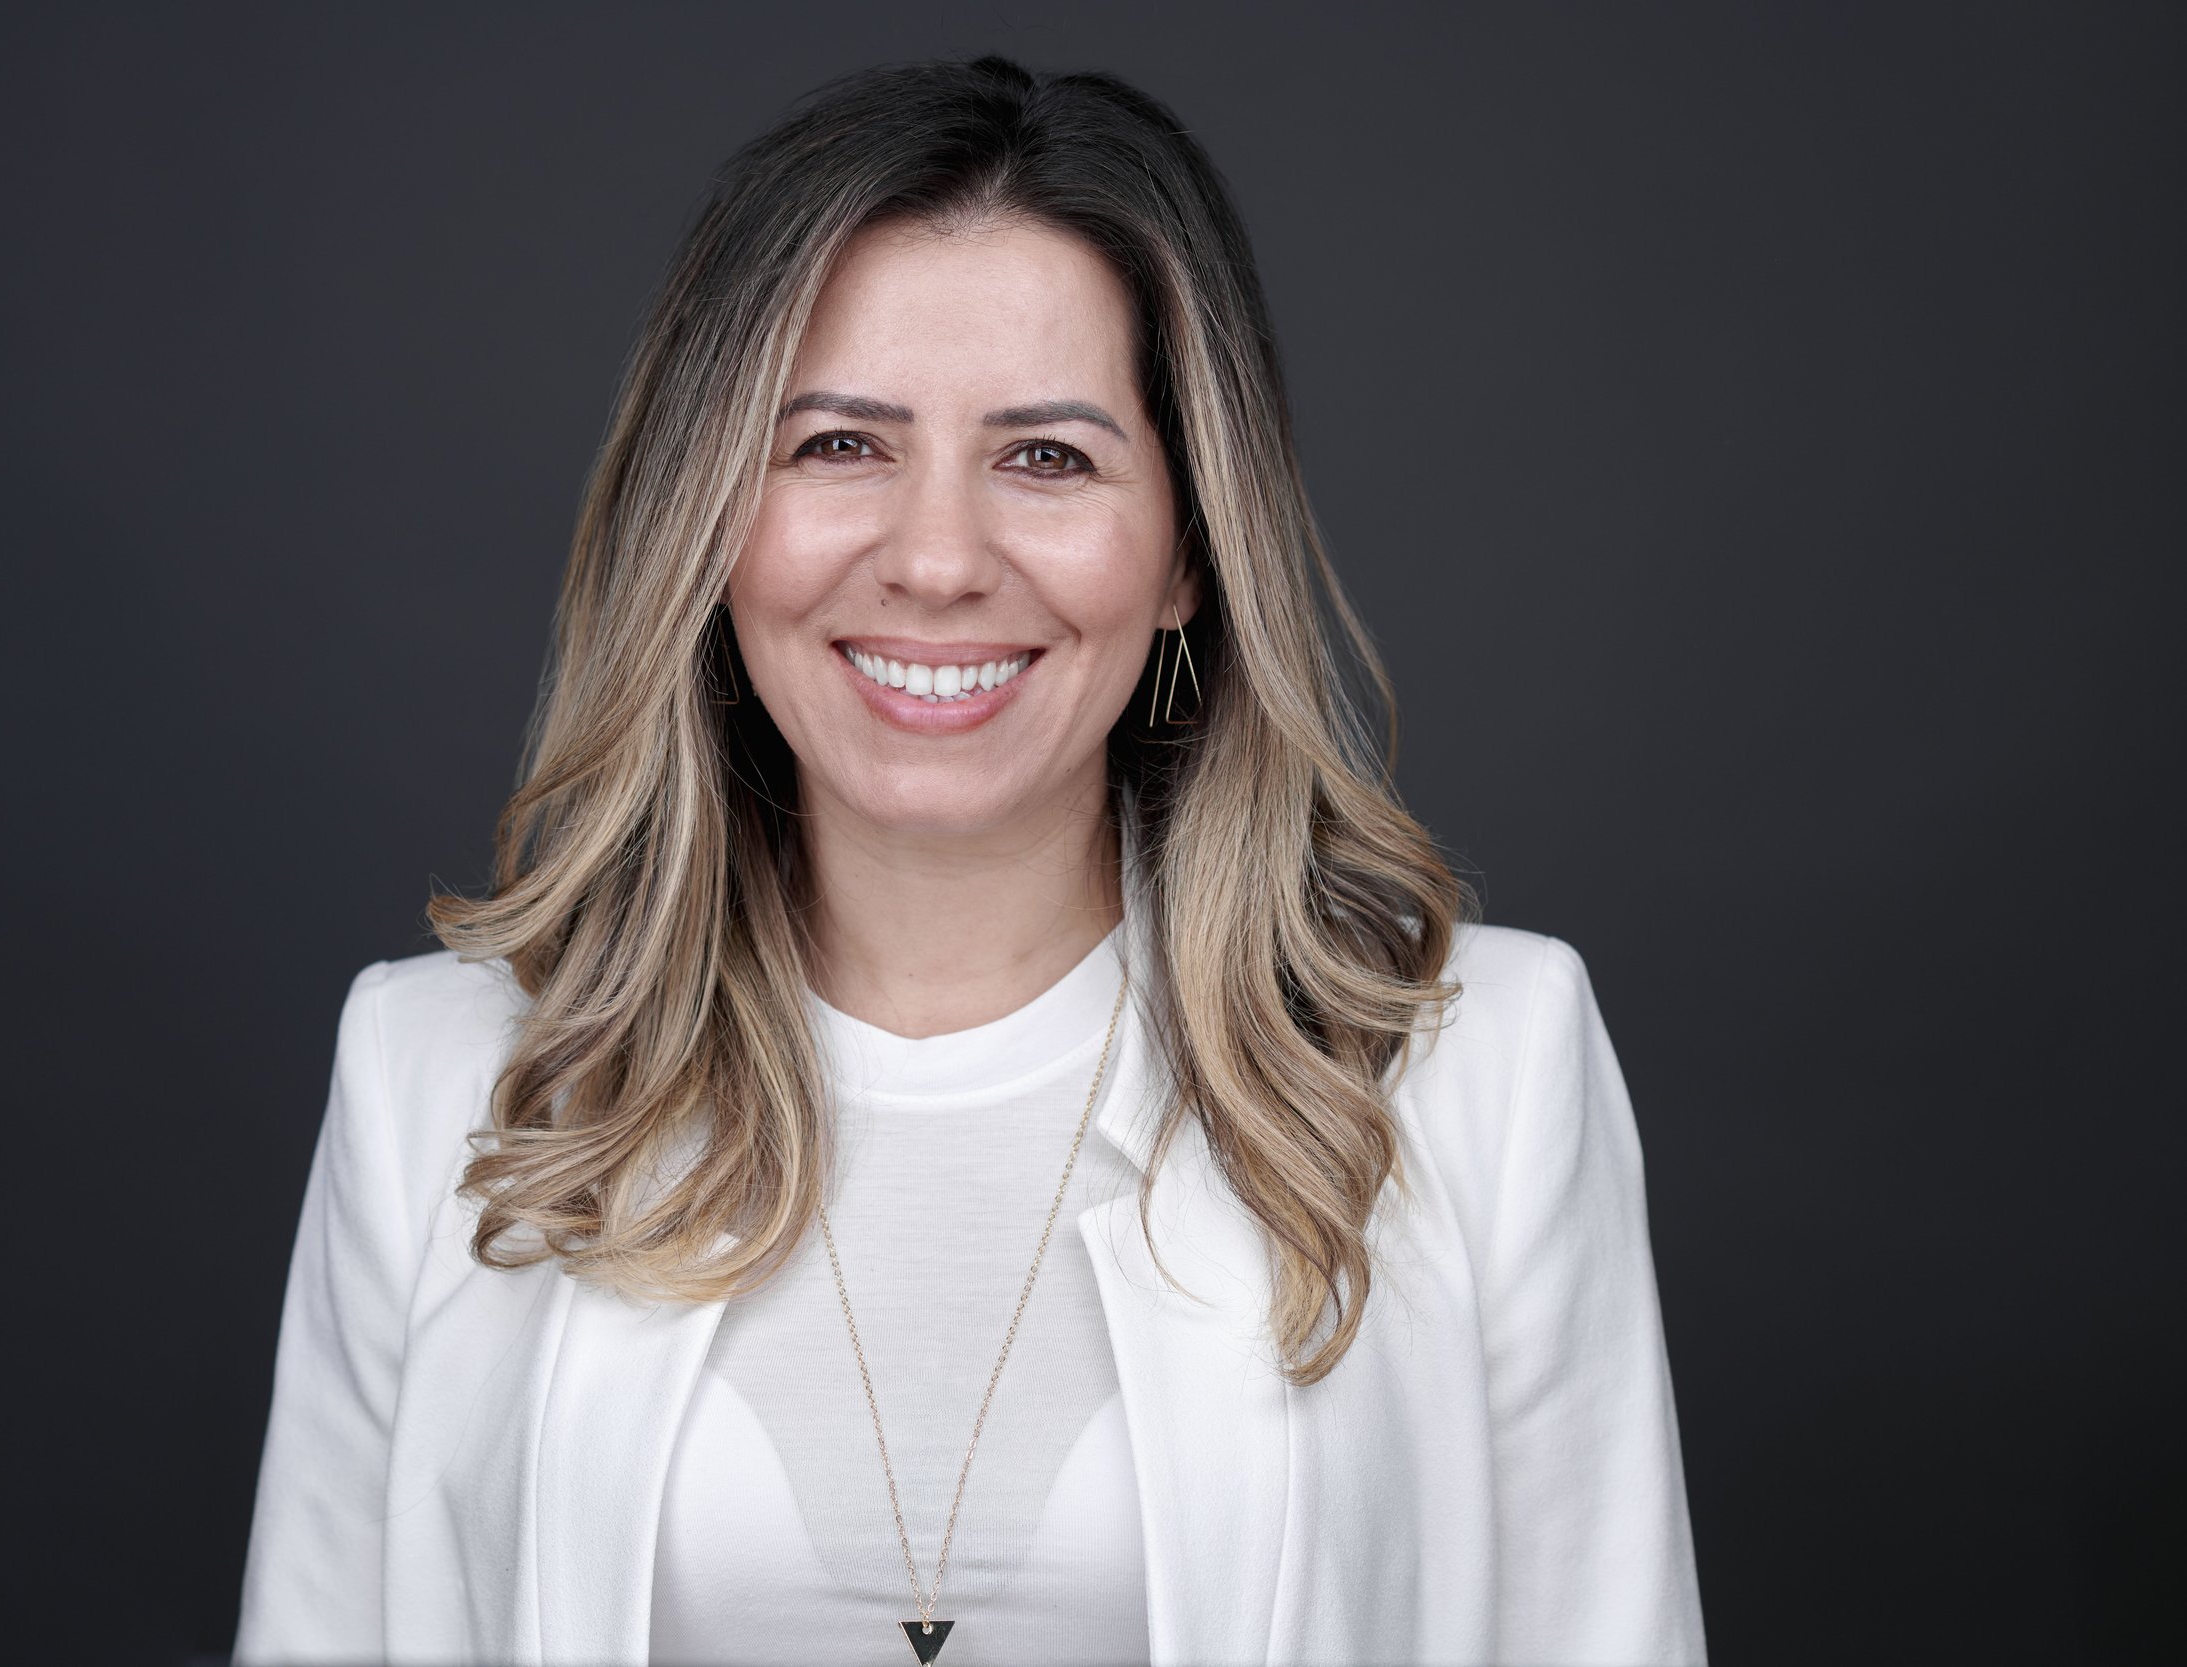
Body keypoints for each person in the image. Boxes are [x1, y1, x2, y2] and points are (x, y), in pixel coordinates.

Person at [233, 54, 1705, 1667]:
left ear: (1188, 558)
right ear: (710, 523)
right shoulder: (440, 1084)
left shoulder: (1479, 1074)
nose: (936, 560)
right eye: (839, 447)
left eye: (1049, 457)